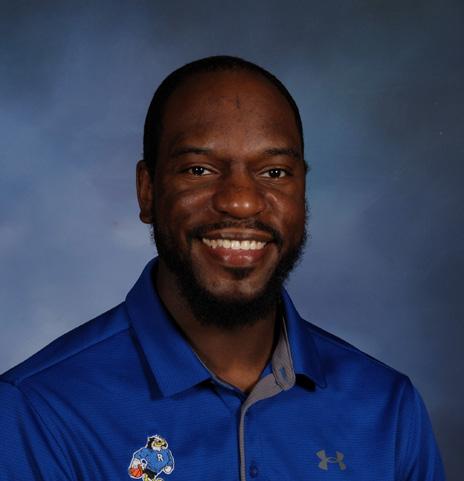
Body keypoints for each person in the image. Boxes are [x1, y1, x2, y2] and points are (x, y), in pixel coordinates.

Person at [0, 56, 446, 481]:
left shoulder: (387, 409)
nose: (241, 202)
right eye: (199, 169)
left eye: (274, 172)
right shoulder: (36, 410)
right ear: (147, 191)